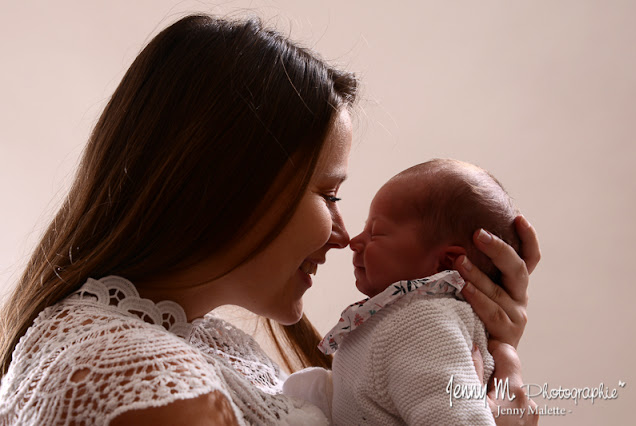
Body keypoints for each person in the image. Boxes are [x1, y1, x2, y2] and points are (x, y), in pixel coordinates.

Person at [0, 14, 540, 426]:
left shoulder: (203, 347)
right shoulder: (144, 377)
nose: (343, 234)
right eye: (328, 193)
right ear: (232, 180)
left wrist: (484, 345)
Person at [289, 159, 523, 425]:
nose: (354, 241)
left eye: (375, 233)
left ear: (446, 263)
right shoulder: (407, 320)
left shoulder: (424, 325)